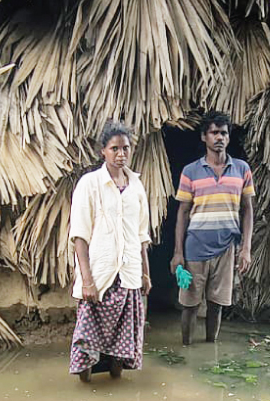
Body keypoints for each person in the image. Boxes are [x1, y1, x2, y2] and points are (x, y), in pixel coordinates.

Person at [68, 121, 151, 382]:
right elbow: (79, 236)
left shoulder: (136, 186)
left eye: (125, 148)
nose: (121, 154)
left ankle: (115, 390)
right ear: (103, 151)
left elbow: (141, 235)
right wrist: (87, 281)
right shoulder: (89, 183)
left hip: (128, 276)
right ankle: (86, 391)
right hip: (100, 277)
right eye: (114, 148)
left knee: (121, 350)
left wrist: (145, 275)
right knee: (87, 347)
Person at [171, 112, 254, 344]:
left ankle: (210, 347)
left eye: (224, 133)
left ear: (228, 138)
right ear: (204, 137)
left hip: (227, 247)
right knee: (190, 304)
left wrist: (245, 248)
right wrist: (178, 252)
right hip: (195, 247)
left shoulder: (241, 169)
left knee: (217, 304)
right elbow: (182, 213)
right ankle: (186, 347)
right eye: (214, 132)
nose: (219, 137)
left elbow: (247, 210)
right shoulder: (190, 171)